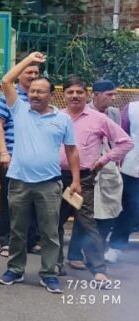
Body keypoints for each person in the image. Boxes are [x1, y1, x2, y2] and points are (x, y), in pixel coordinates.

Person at [0, 52, 80, 294]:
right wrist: (29, 60)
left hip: (49, 184)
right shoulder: (19, 109)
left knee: (50, 233)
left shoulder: (62, 119)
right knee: (17, 231)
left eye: (40, 91)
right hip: (19, 182)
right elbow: (6, 81)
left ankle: (49, 273)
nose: (34, 94)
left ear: (51, 95)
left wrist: (75, 180)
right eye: (32, 90)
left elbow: (72, 150)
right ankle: (15, 269)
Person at [54, 76, 132, 283]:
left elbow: (126, 142)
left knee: (88, 224)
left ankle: (99, 269)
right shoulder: (56, 117)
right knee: (54, 222)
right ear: (64, 95)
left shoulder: (99, 119)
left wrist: (104, 160)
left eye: (79, 92)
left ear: (87, 94)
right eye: (70, 92)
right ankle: (55, 263)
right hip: (56, 178)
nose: (75, 96)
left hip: (84, 179)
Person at [0, 55, 43, 257]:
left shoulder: (40, 98)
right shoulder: (10, 95)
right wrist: (4, 153)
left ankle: (31, 240)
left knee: (33, 201)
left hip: (34, 160)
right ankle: (6, 241)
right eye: (29, 72)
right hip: (12, 157)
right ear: (20, 73)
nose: (33, 76)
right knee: (9, 202)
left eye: (36, 73)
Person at [116, 98, 139, 262]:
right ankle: (116, 246)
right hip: (133, 166)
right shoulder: (131, 109)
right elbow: (121, 137)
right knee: (128, 207)